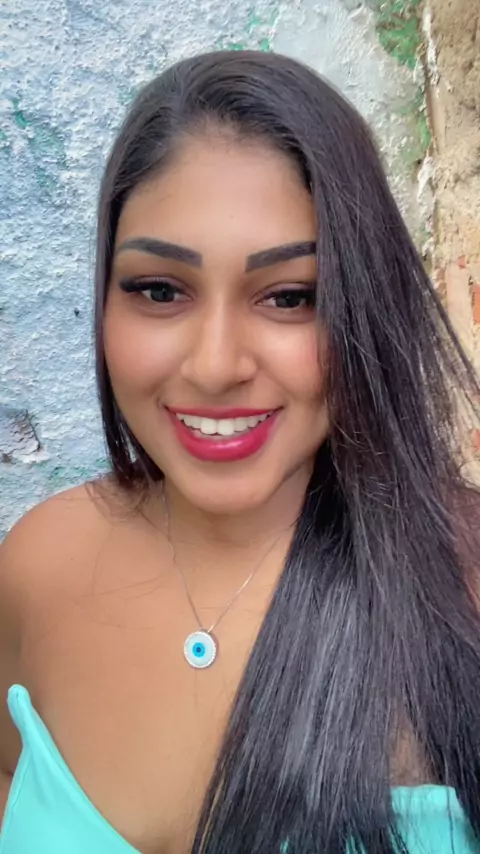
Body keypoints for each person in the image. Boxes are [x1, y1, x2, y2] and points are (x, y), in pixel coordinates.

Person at [0, 49, 479, 854]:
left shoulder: (461, 595)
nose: (216, 366)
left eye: (289, 297)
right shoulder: (38, 565)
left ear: (366, 309)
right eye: (160, 290)